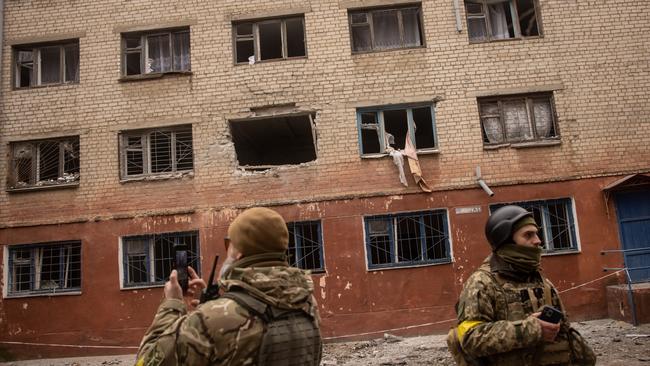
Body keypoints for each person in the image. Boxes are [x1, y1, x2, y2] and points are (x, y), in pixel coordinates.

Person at [135, 207, 322, 366]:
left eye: (229, 245)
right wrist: (218, 303)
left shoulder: (210, 320)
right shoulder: (305, 303)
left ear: (239, 252)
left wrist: (172, 304)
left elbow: (145, 361)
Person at [447, 205, 596, 366]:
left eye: (536, 234)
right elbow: (470, 338)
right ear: (507, 241)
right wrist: (531, 330)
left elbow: (564, 332)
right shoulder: (481, 283)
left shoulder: (540, 280)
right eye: (528, 235)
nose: (538, 241)